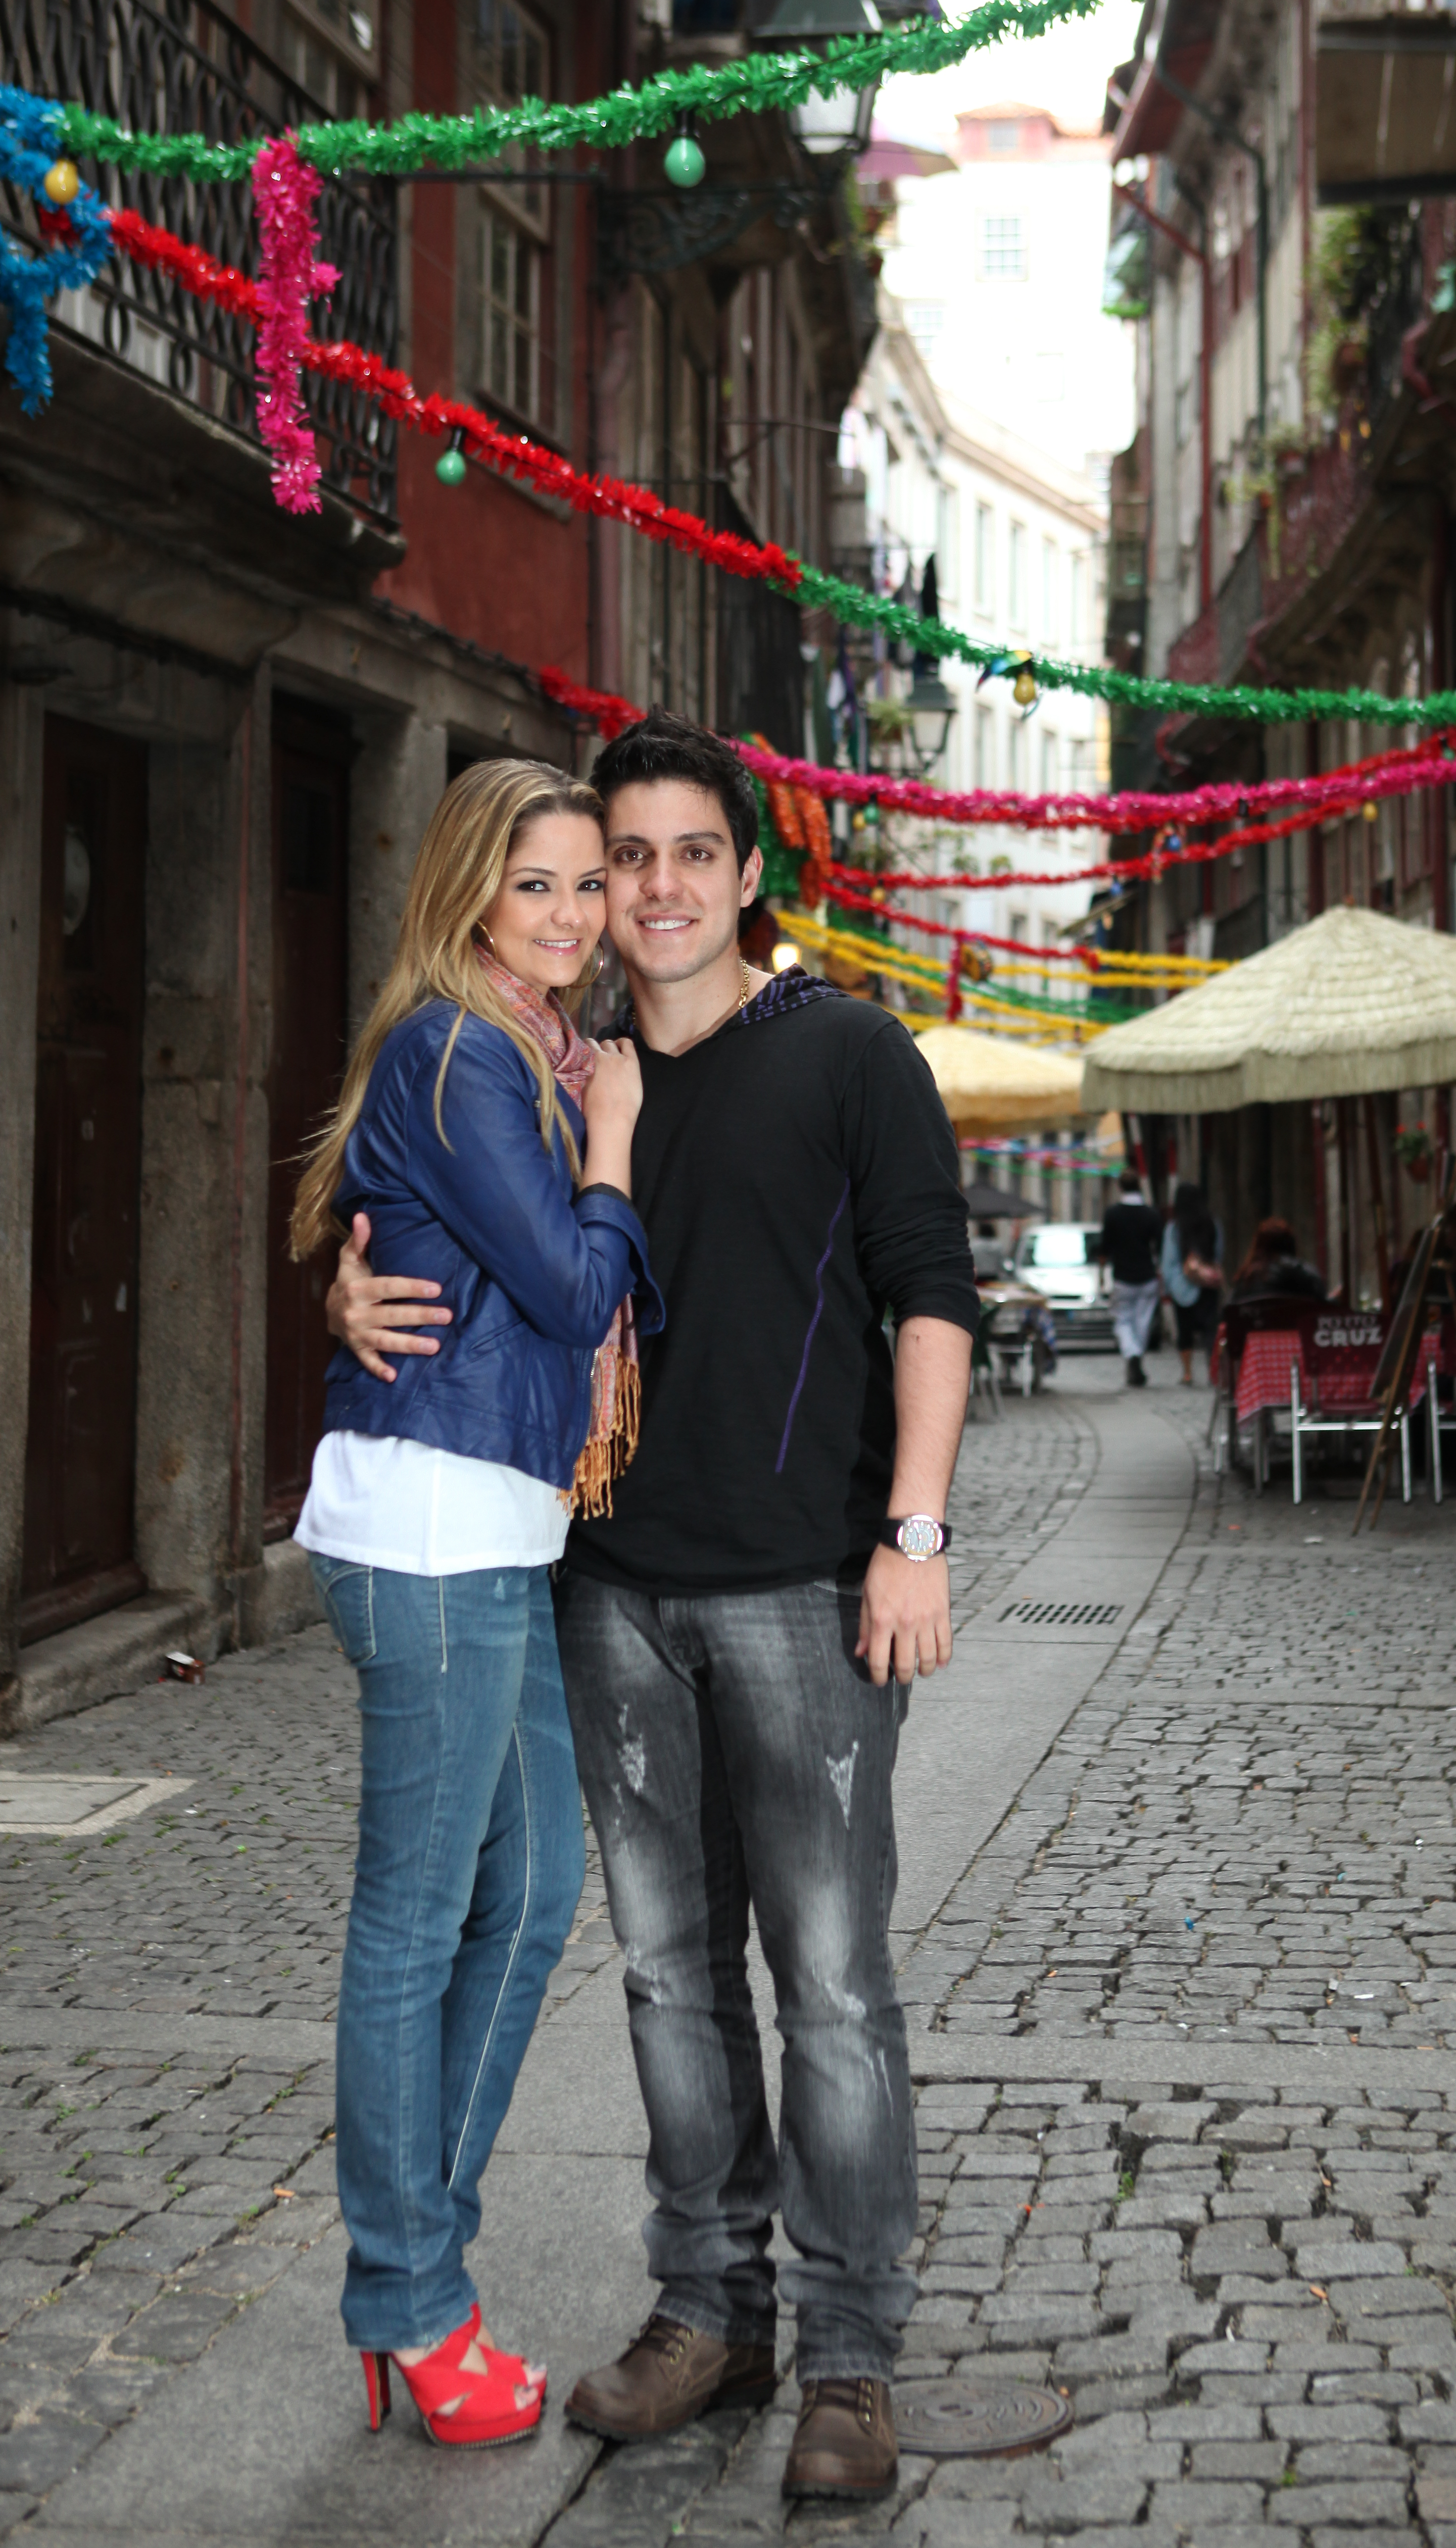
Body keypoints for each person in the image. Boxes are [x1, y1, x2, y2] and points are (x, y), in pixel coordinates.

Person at [323, 710, 977, 2504]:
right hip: (602, 1588)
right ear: (595, 887)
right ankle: (709, 2309)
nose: (657, 884)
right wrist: (347, 1295)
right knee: (669, 1977)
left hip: (804, 1589)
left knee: (831, 1984)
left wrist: (914, 1529)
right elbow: (453, 1228)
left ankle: (848, 2353)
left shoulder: (849, 1053)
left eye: (695, 851)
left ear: (749, 874)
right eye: (629, 858)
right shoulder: (561, 1062)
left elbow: (933, 1295)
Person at [289, 760, 660, 2448]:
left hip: (492, 1516)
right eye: (541, 888)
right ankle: (413, 2298)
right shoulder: (466, 1048)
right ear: (466, 892)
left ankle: (414, 2257)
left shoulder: (532, 1054)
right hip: (431, 1523)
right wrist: (622, 1150)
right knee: (420, 1912)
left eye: (590, 886)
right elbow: (574, 1280)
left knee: (532, 1896)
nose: (575, 919)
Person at [1096, 1169, 1163, 1386]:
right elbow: (1159, 1247)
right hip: (1147, 1276)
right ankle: (1137, 1356)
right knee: (1142, 1322)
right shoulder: (1152, 1214)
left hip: (1123, 1276)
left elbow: (1105, 1247)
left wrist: (1101, 1274)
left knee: (1124, 1320)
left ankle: (1131, 1353)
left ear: (1120, 1188)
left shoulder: (1113, 1214)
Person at [1160, 1179, 1223, 1388]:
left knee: (1184, 1330)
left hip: (1183, 1287)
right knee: (1211, 1330)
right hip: (1208, 1283)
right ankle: (1213, 1372)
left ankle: (1187, 1373)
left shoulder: (1175, 1228)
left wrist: (1172, 1286)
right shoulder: (1213, 1223)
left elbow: (1169, 1261)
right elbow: (1219, 1252)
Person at [1229, 1215, 1325, 1301]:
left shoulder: (1246, 1279)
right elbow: (1320, 1297)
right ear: (1291, 1245)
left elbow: (1229, 1309)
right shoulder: (1303, 1275)